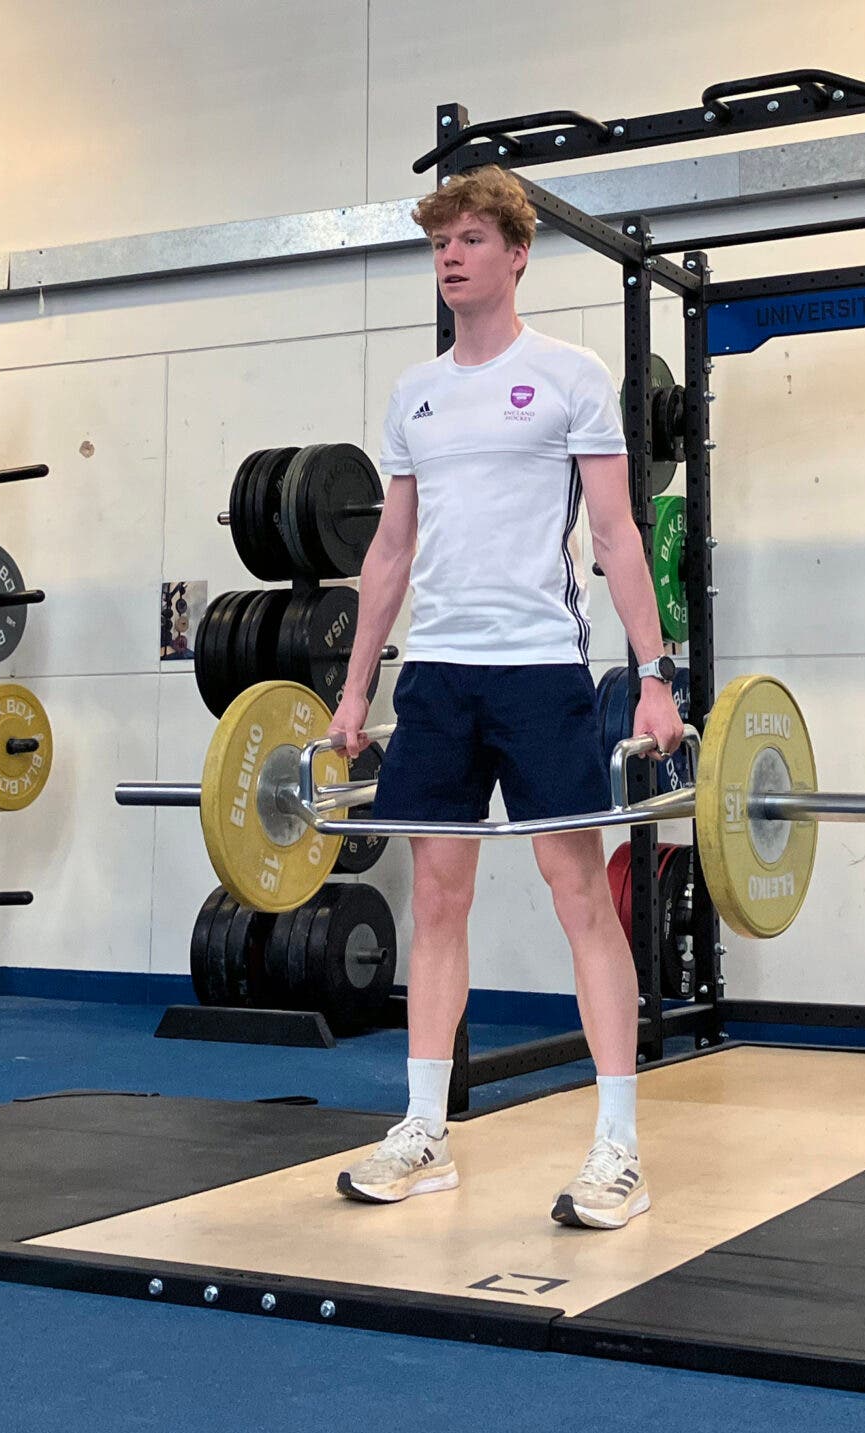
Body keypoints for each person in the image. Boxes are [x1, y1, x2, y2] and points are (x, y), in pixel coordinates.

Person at [326, 166, 684, 1230]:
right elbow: (389, 551)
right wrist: (353, 699)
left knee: (579, 895)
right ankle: (424, 1130)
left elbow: (616, 534)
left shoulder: (570, 375)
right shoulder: (414, 394)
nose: (451, 258)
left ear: (517, 254)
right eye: (441, 243)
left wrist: (653, 678)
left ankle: (617, 1147)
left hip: (540, 670)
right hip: (438, 676)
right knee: (435, 899)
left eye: (472, 239)